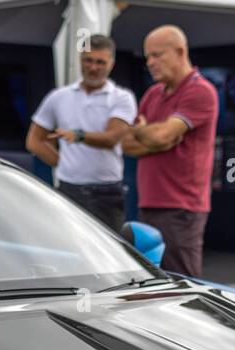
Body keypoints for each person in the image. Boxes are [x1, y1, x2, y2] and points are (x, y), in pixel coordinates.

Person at [122, 25, 218, 276]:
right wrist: (157, 140)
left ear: (180, 51)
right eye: (147, 57)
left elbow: (162, 134)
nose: (150, 63)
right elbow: (126, 143)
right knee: (151, 281)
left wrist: (153, 135)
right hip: (149, 203)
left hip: (181, 207)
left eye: (157, 55)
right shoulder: (153, 94)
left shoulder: (200, 91)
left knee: (182, 284)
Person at [25, 35, 136, 233]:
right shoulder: (58, 97)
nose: (93, 67)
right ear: (80, 60)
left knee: (107, 256)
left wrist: (78, 136)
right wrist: (65, 163)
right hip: (69, 190)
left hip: (107, 193)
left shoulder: (122, 97)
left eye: (100, 62)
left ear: (111, 63)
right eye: (88, 60)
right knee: (68, 250)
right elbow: (34, 141)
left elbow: (111, 138)